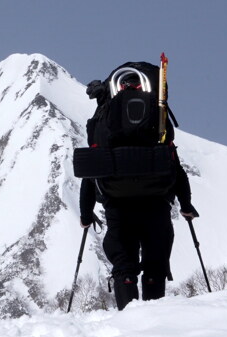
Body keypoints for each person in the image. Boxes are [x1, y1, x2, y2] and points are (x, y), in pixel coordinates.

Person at [78, 71, 199, 309]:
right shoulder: (156, 117)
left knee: (124, 263)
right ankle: (154, 318)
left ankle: (128, 317)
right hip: (156, 202)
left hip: (118, 204)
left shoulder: (106, 118)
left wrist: (85, 214)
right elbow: (176, 167)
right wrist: (186, 205)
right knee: (155, 262)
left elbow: (92, 171)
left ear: (118, 88)